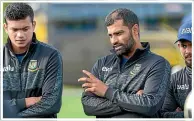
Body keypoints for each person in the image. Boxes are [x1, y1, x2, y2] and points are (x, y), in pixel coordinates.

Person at [78, 8, 171, 118]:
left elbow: (150, 105)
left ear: (135, 30)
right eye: (110, 35)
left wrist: (107, 92)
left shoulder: (158, 63)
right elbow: (88, 106)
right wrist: (135, 102)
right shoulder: (102, 64)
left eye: (118, 33)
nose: (113, 41)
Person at [3, 3, 63, 118]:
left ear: (33, 25)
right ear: (6, 28)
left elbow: (52, 104)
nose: (20, 35)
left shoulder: (50, 55)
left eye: (25, 29)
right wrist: (24, 102)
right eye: (14, 29)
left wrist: (10, 115)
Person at [161, 20, 192, 118]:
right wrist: (187, 114)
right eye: (184, 46)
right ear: (179, 46)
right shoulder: (174, 80)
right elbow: (163, 115)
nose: (187, 51)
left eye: (192, 44)